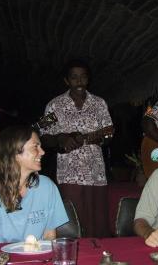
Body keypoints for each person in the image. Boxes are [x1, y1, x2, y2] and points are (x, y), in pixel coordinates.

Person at [40, 59, 114, 238]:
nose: (79, 81)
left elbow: (109, 132)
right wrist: (60, 138)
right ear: (66, 81)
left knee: (96, 224)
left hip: (95, 172)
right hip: (69, 172)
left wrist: (100, 138)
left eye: (83, 77)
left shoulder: (99, 103)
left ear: (88, 79)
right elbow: (42, 134)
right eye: (74, 77)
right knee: (73, 223)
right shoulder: (54, 105)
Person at [0, 125, 68, 243]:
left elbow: (49, 236)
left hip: (39, 259)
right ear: (15, 152)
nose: (42, 152)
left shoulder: (46, 187)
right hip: (5, 260)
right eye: (35, 147)